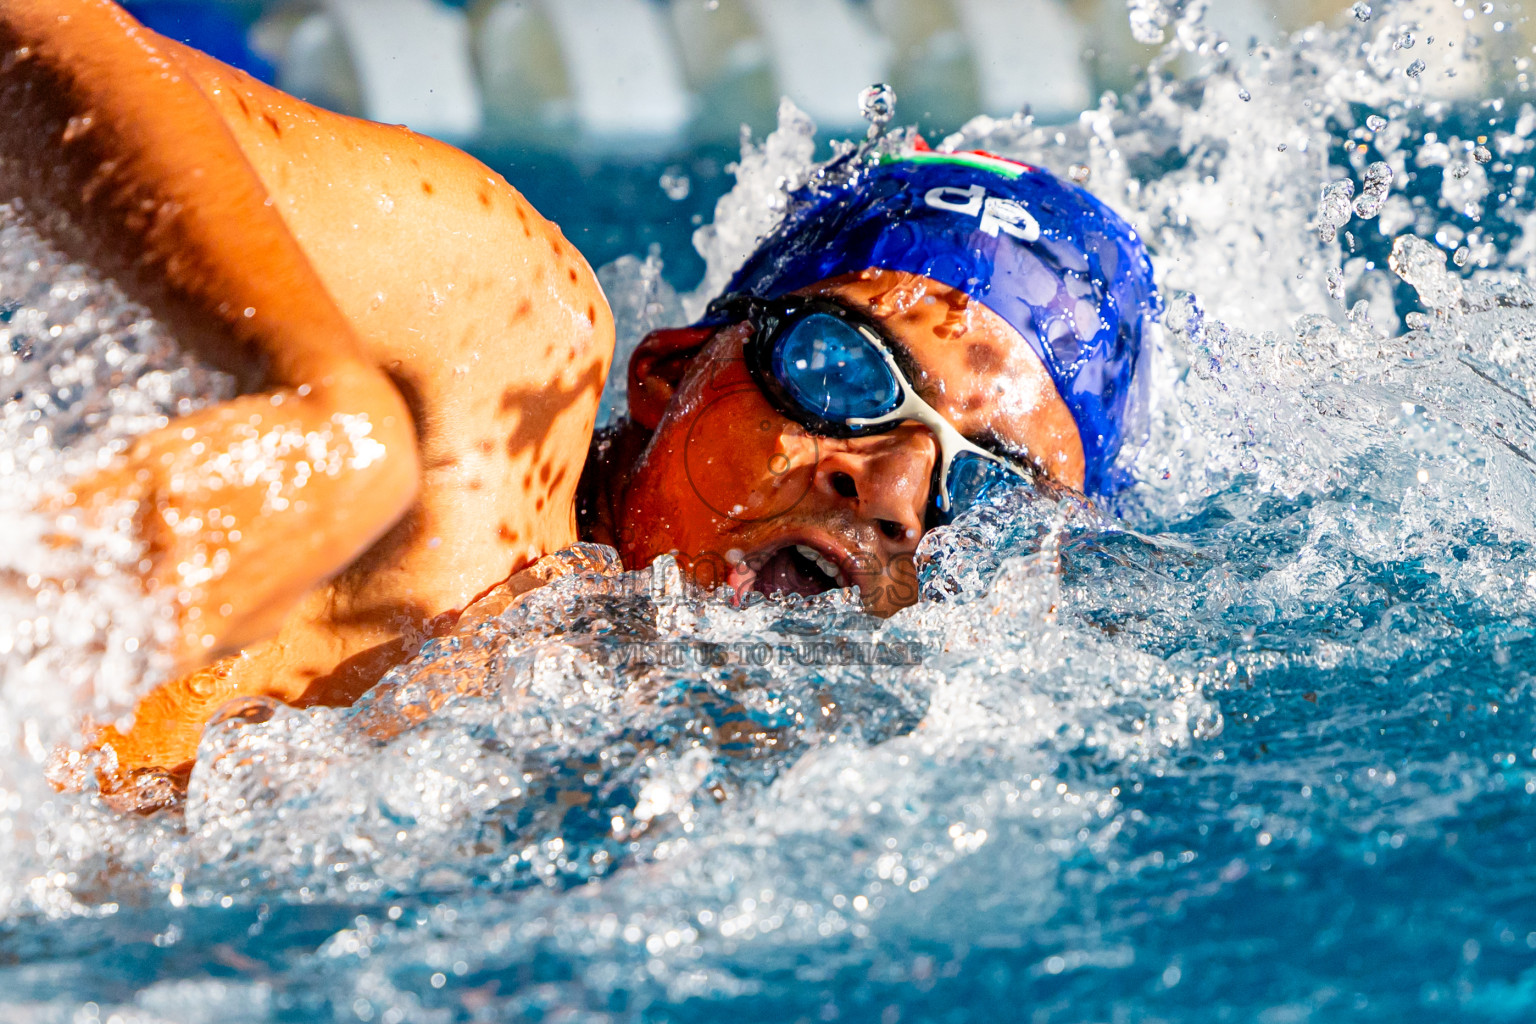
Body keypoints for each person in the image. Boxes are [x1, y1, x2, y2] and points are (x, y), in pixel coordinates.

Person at [2, 0, 1157, 809]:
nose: (896, 495)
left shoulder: (709, 809)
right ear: (669, 373)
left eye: (985, 482)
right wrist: (321, 410)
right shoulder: (496, 358)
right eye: (849, 372)